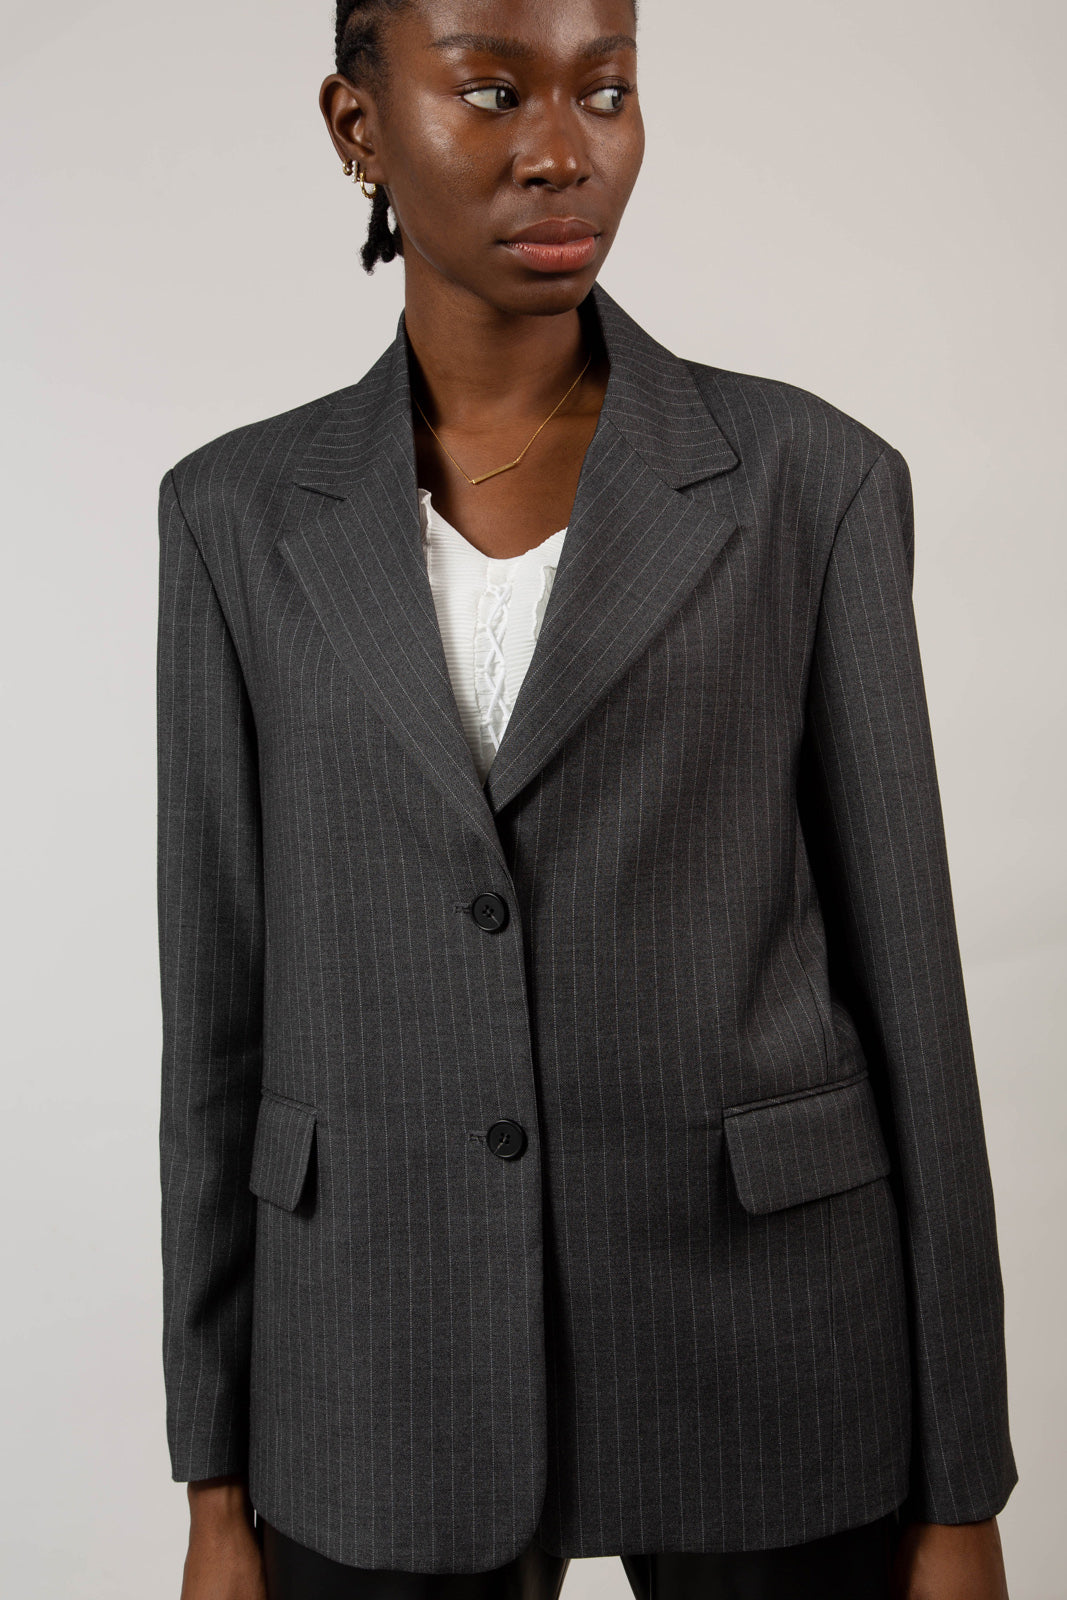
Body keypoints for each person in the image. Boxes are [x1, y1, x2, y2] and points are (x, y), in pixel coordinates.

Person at [156, 3, 1018, 1597]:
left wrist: (964, 1487)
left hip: (768, 1342)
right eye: (492, 91)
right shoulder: (234, 516)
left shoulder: (810, 481)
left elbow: (915, 997)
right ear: (357, 126)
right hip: (377, 1364)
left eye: (607, 90)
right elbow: (216, 1024)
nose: (565, 150)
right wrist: (213, 1488)